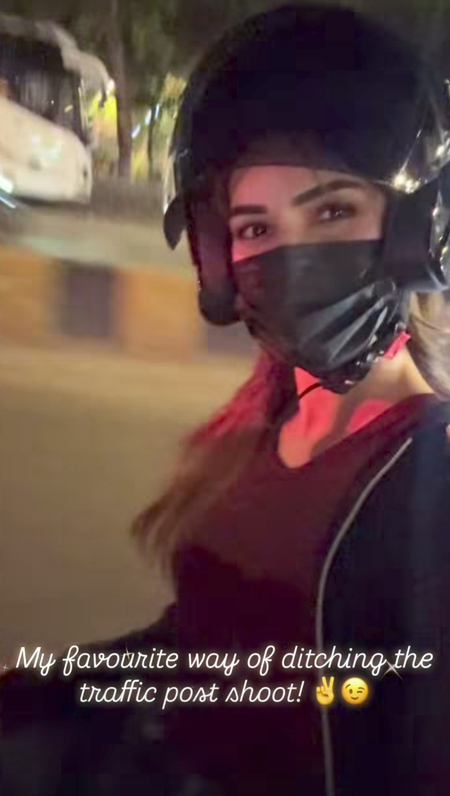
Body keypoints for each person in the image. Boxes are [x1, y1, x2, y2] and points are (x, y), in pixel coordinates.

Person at [2, 4, 450, 795]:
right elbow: (206, 649)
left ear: (416, 236)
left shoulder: (430, 480)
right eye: (254, 228)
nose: (289, 255)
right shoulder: (268, 428)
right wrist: (44, 691)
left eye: (333, 210)